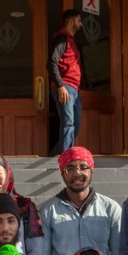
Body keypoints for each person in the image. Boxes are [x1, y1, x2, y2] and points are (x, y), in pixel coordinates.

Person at [39, 147, 122, 255]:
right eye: (70, 168)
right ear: (62, 173)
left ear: (92, 170)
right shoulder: (49, 211)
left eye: (83, 167)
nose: (77, 173)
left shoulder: (110, 209)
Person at [48, 9, 84, 155]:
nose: (81, 24)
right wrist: (60, 85)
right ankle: (66, 158)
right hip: (65, 86)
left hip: (74, 88)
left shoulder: (71, 41)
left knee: (75, 125)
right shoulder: (62, 39)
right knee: (68, 123)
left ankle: (57, 155)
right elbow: (51, 63)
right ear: (71, 22)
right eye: (79, 21)